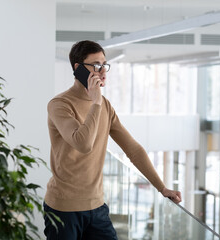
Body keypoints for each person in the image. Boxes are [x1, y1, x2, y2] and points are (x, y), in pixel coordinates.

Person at [43, 40, 182, 240]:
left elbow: (133, 149)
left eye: (104, 65)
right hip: (63, 209)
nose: (103, 72)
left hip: (97, 206)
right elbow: (83, 144)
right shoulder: (60, 104)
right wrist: (95, 101)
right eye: (96, 65)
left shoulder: (105, 106)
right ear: (78, 68)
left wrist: (162, 187)